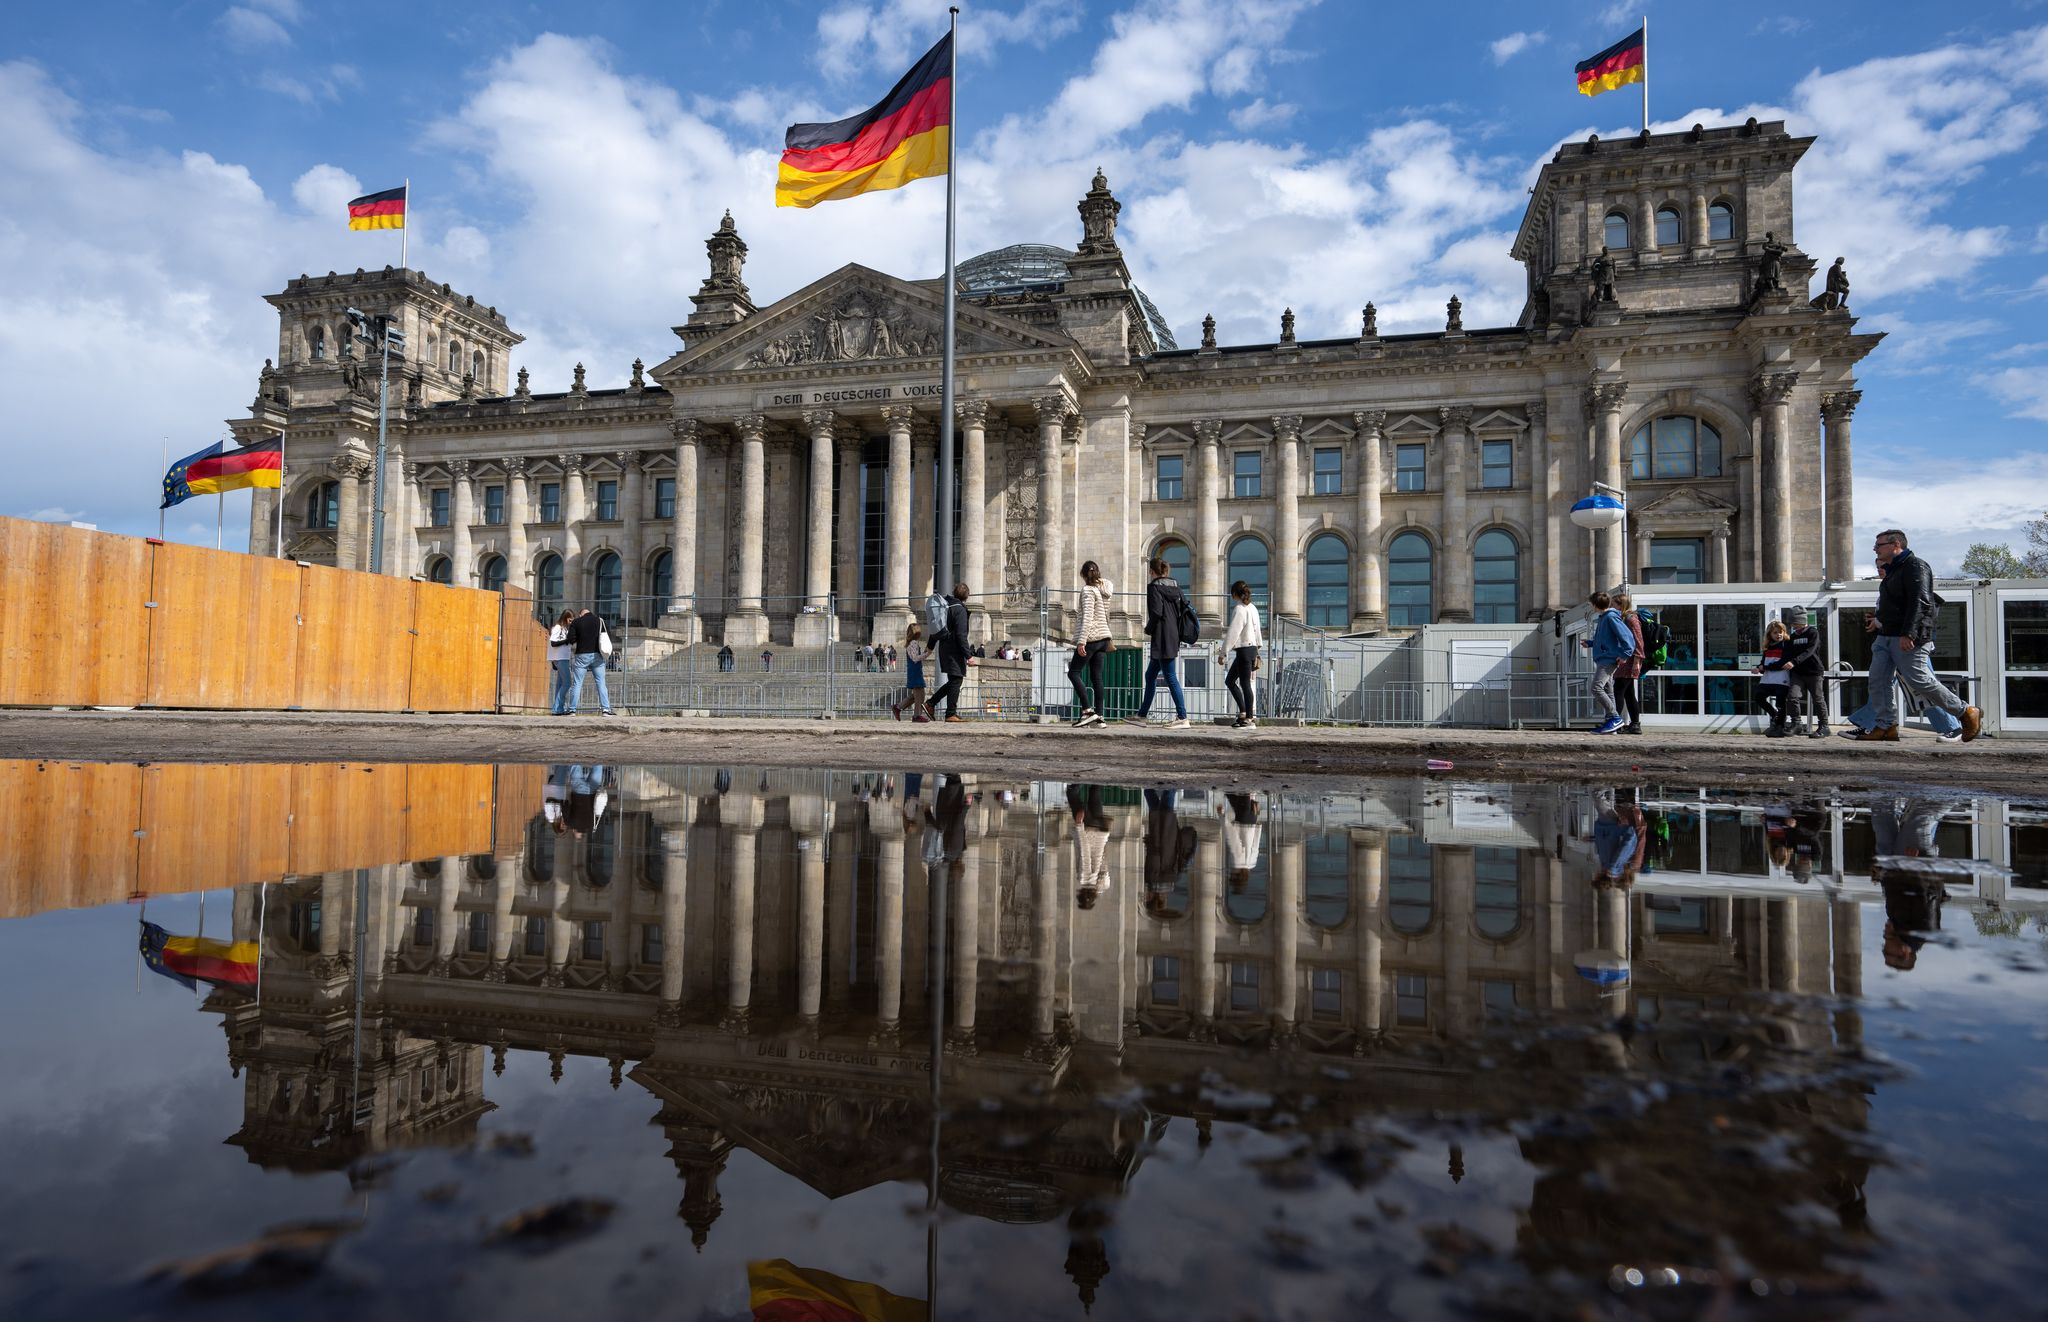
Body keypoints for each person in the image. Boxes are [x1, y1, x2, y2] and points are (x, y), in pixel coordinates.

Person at [1860, 529, 1981, 742]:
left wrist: (1910, 633)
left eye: (1878, 545)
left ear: (1896, 544)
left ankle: (1966, 712)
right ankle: (1885, 726)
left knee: (1919, 680)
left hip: (1906, 636)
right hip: (1886, 636)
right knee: (1878, 679)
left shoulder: (1915, 566)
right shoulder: (1892, 571)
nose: (1874, 549)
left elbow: (1921, 601)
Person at [1123, 556, 1190, 728]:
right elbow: (1183, 610)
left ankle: (1182, 717)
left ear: (1152, 571)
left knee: (1170, 677)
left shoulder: (1154, 587)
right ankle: (1142, 715)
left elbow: (1157, 612)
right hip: (1173, 635)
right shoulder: (1176, 586)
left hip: (1161, 636)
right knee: (1150, 675)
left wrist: (1148, 629)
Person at [1068, 560, 1114, 728]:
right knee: (1097, 677)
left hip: (1092, 637)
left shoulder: (1088, 590)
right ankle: (1099, 717)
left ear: (1083, 574)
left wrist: (1081, 641)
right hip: (1104, 638)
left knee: (1073, 672)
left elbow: (1087, 616)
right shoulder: (1104, 589)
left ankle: (1087, 711)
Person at [1582, 591, 1632, 734]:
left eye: (1591, 603)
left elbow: (1627, 638)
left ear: (1595, 605)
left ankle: (1615, 718)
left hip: (1608, 660)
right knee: (1608, 690)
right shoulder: (1604, 617)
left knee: (1596, 688)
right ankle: (1612, 724)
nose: (1590, 606)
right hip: (1605, 657)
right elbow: (1606, 639)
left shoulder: (1610, 617)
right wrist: (1591, 643)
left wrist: (1624, 654)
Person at [1219, 579, 1263, 729]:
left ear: (1235, 594)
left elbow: (1233, 632)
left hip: (1244, 650)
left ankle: (1249, 718)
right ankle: (1244, 713)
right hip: (1251, 649)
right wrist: (1258, 648)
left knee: (1243, 684)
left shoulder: (1239, 609)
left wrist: (1223, 652)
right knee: (1232, 681)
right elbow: (1257, 630)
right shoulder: (1253, 608)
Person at [1777, 607, 1827, 737]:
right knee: (1792, 696)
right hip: (1798, 673)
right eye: (1792, 623)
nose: (1793, 625)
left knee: (1818, 698)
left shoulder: (1812, 633)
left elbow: (1809, 651)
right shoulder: (1792, 637)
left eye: (1795, 622)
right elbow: (1786, 655)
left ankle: (1824, 726)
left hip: (1814, 672)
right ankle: (1796, 724)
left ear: (1801, 621)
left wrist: (1794, 662)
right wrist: (1767, 666)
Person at [931, 581, 973, 723]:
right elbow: (961, 635)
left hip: (944, 647)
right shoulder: (959, 609)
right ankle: (949, 713)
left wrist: (930, 646)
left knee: (953, 680)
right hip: (954, 650)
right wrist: (968, 655)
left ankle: (931, 705)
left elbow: (935, 626)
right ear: (966, 596)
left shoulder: (947, 606)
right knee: (956, 680)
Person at [564, 608, 615, 716]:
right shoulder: (600, 621)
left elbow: (571, 639)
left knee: (577, 683)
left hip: (582, 655)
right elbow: (608, 637)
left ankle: (572, 709)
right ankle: (605, 709)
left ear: (580, 614)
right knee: (601, 682)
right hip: (597, 655)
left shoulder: (576, 622)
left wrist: (580, 638)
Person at [1070, 783, 1113, 909]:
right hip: (1088, 830)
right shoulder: (1084, 878)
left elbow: (1103, 859)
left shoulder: (1099, 883)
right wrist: (1079, 826)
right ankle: (1079, 776)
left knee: (1095, 790)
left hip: (1100, 831)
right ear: (1080, 895)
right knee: (1072, 794)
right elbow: (1085, 854)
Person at [1613, 592, 1645, 735]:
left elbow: (1639, 639)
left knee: (1618, 689)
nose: (1612, 607)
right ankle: (1635, 724)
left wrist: (1638, 659)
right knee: (1629, 693)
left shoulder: (1631, 619)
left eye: (1614, 605)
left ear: (1621, 605)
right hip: (1627, 659)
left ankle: (1615, 722)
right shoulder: (1624, 618)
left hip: (1630, 660)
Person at [1754, 619, 1793, 736]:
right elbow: (1763, 662)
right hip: (1767, 679)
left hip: (1782, 679)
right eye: (1775, 632)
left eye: (1781, 632)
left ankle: (1780, 726)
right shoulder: (1768, 647)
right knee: (1759, 697)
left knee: (1780, 703)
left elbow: (1782, 663)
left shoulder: (1786, 645)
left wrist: (1764, 667)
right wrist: (1758, 668)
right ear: (1770, 634)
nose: (1778, 634)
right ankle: (1774, 715)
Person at [895, 623, 931, 722]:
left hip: (913, 670)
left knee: (918, 695)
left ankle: (899, 707)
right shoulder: (914, 643)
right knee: (920, 695)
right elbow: (915, 658)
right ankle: (916, 715)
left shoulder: (911, 643)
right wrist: (927, 654)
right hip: (915, 671)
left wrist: (924, 653)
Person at [546, 610, 576, 716]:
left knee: (560, 684)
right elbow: (553, 643)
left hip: (562, 657)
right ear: (565, 618)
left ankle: (558, 708)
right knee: (567, 683)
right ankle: (557, 708)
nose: (570, 622)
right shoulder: (557, 628)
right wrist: (566, 641)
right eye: (570, 620)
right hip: (560, 658)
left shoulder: (564, 629)